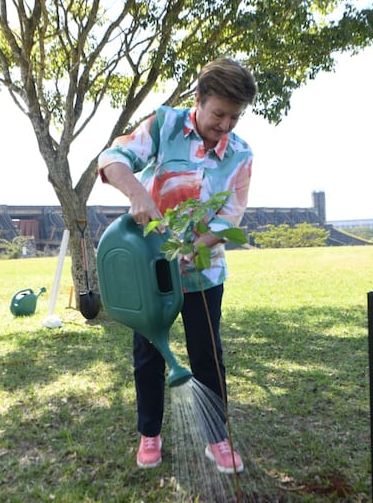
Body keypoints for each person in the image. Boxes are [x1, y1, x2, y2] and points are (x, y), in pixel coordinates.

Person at [97, 57, 257, 473]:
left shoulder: (240, 154)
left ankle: (217, 440)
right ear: (199, 100)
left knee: (207, 355)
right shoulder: (165, 126)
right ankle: (150, 434)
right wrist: (138, 194)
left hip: (204, 273)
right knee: (149, 353)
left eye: (234, 117)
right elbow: (112, 158)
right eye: (219, 113)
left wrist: (196, 246)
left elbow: (230, 217)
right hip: (153, 273)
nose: (225, 125)